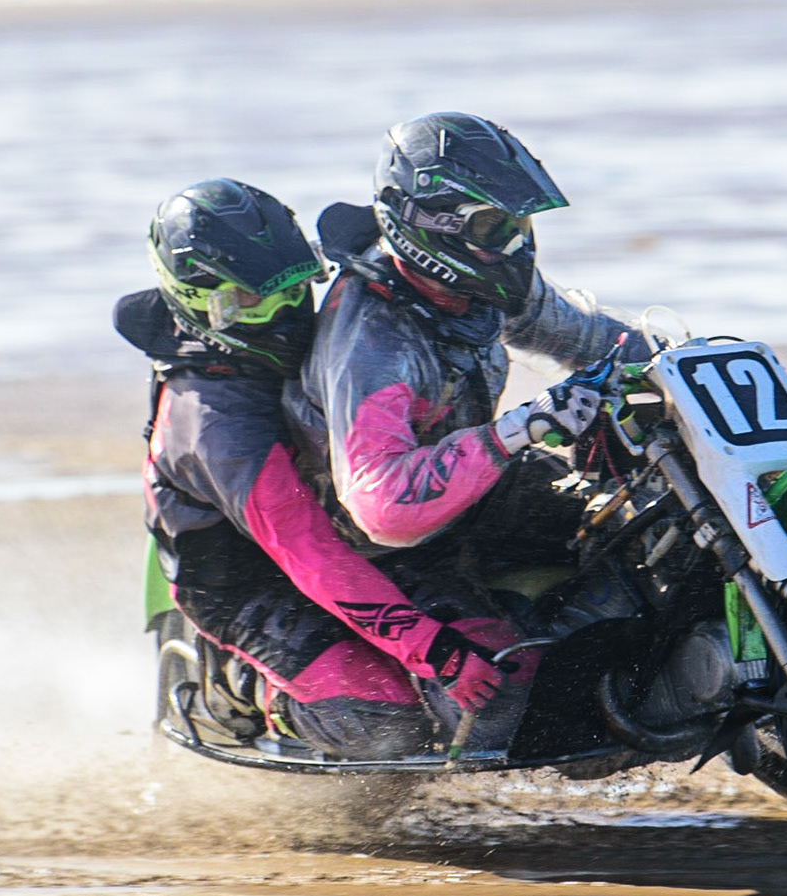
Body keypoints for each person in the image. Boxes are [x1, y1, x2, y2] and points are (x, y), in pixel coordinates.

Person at [286, 112, 651, 731]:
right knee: (498, 706)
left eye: (520, 224)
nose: (517, 244)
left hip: (479, 494)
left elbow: (592, 337)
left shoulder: (474, 287)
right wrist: (520, 428)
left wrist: (683, 363)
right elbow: (384, 507)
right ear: (431, 226)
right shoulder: (375, 343)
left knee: (645, 530)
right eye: (494, 226)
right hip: (385, 552)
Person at [121, 177, 506, 760]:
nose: (282, 314)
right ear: (198, 302)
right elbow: (309, 551)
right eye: (251, 301)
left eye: (295, 289)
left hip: (366, 538)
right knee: (383, 721)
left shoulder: (343, 325)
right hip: (252, 581)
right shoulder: (214, 423)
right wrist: (433, 650)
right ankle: (240, 691)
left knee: (508, 675)